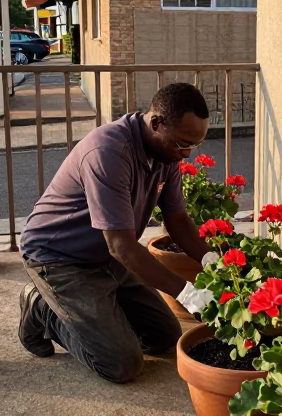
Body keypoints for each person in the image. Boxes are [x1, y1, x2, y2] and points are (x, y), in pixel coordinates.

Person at [18, 82, 215, 383]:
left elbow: (177, 219)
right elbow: (122, 246)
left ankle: (95, 314)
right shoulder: (108, 151)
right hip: (59, 257)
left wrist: (214, 259)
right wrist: (187, 293)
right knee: (121, 364)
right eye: (182, 143)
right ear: (156, 123)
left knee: (165, 338)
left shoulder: (167, 153)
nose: (186, 153)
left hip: (106, 255)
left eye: (194, 145)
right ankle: (44, 310)